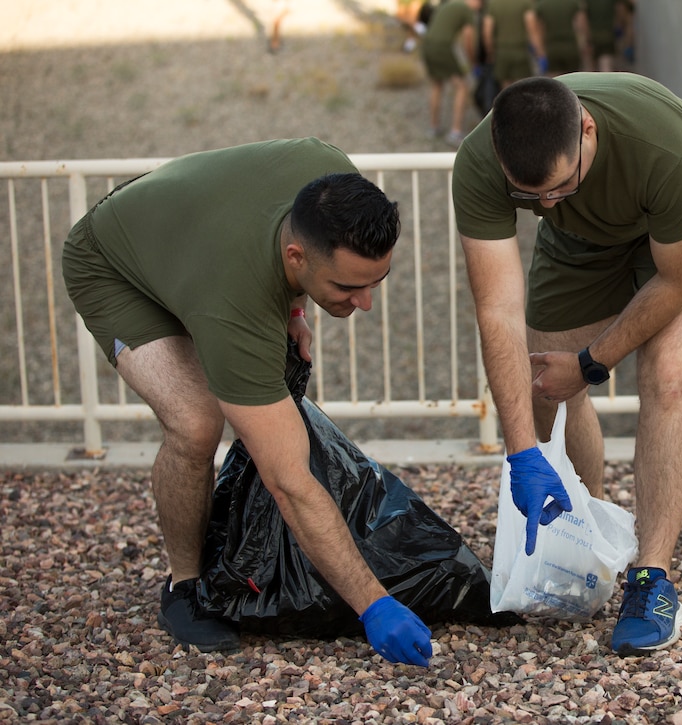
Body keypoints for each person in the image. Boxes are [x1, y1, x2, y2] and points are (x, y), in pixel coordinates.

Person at [61, 138, 433, 667]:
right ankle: (185, 588)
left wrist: (297, 308)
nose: (366, 303)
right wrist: (374, 605)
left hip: (188, 237)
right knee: (195, 423)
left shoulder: (332, 180)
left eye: (378, 280)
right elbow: (288, 481)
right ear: (297, 256)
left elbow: (281, 261)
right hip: (114, 264)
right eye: (349, 287)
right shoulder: (232, 301)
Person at [451, 74, 682, 656]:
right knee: (540, 381)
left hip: (680, 227)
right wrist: (521, 455)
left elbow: (678, 278)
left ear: (588, 129)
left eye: (559, 186)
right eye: (532, 197)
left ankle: (651, 580)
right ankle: (592, 536)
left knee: (669, 378)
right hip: (581, 242)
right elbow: (497, 311)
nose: (547, 203)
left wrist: (588, 363)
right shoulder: (481, 163)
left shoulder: (661, 149)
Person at [421, 0, 483, 146]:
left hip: (427, 44)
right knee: (462, 86)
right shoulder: (467, 10)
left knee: (437, 84)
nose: (480, 6)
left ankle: (433, 127)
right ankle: (455, 132)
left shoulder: (448, 4)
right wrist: (474, 62)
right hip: (443, 47)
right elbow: (468, 38)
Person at [483, 0, 547, 88]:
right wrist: (540, 51)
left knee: (505, 88)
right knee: (522, 87)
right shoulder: (525, 3)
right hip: (520, 51)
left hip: (501, 52)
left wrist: (490, 52)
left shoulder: (493, 4)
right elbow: (532, 28)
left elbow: (487, 31)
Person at [533, 0, 589, 77]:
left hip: (551, 49)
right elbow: (581, 24)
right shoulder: (574, 3)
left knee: (555, 81)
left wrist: (540, 49)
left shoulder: (541, 4)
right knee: (573, 80)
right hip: (571, 48)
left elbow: (538, 28)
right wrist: (584, 43)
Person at [583, 0, 617, 71]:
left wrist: (586, 39)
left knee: (590, 71)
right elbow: (621, 11)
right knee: (606, 69)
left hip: (592, 37)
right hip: (607, 36)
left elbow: (583, 18)